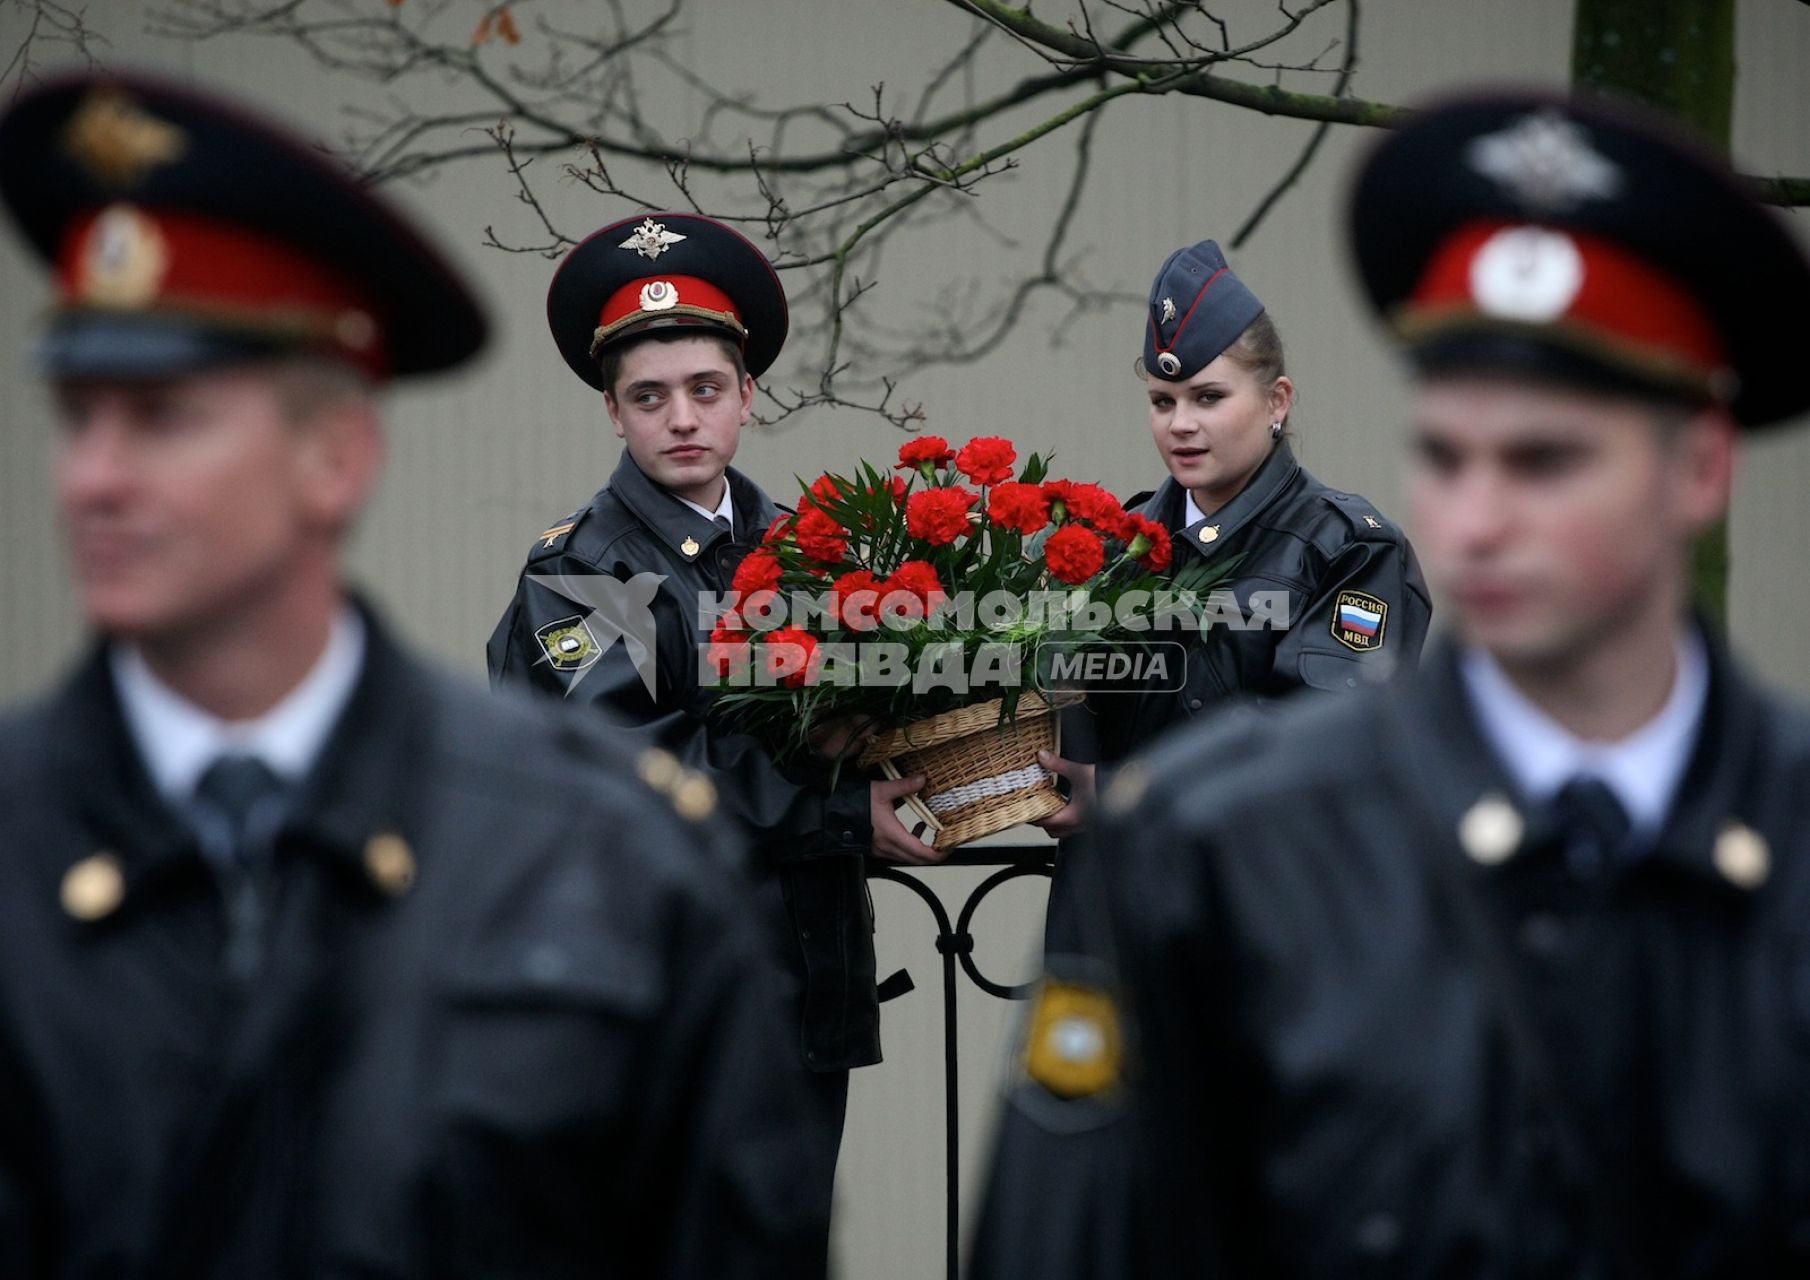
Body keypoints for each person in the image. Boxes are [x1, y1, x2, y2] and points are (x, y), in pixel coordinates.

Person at [974, 86, 1810, 1277]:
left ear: (1700, 467)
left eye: (1544, 458)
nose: (1474, 519)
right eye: (1444, 453)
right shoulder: (1203, 852)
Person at [0, 71, 825, 1277]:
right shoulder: (17, 830)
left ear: (336, 454)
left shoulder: (583, 841)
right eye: (79, 416)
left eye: (165, 416)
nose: (94, 478)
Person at [485, 211, 936, 1263]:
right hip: (647, 992)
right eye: (648, 396)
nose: (679, 417)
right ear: (612, 410)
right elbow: (634, 771)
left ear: (747, 396)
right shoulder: (582, 568)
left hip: (799, 983)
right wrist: (835, 809)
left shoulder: (810, 549)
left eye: (703, 388)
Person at [1035, 239, 1430, 838]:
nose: (1181, 424)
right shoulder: (1114, 546)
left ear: (1277, 401)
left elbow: (1325, 745)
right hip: (1112, 901)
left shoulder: (1349, 548)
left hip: (1265, 902)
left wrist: (1124, 792)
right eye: (1162, 402)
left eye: (1208, 397)